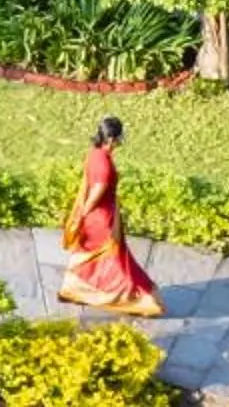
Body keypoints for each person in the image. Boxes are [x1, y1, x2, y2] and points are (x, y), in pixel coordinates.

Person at [58, 116, 164, 317]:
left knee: (89, 258)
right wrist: (84, 213)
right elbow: (97, 191)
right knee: (116, 262)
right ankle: (140, 300)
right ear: (112, 139)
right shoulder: (104, 164)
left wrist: (82, 216)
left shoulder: (94, 153)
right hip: (102, 220)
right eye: (120, 136)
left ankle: (75, 290)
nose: (121, 140)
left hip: (95, 218)